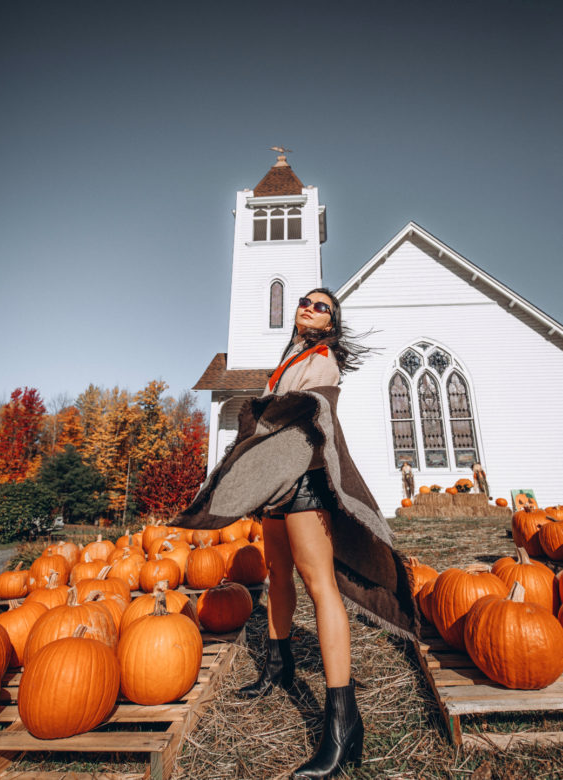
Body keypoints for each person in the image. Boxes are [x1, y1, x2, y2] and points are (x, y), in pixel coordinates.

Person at [177, 289, 419, 780]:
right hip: (276, 481)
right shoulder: (291, 358)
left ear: (331, 324)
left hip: (304, 479)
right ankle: (278, 665)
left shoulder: (322, 359)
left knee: (319, 586)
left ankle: (343, 722)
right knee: (276, 574)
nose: (308, 306)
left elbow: (296, 417)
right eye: (305, 301)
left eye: (321, 305)